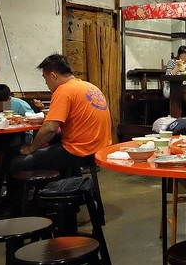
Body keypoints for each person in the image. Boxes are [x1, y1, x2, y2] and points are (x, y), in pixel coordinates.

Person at [9, 54, 112, 207]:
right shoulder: (89, 87)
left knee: (16, 163)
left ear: (53, 75)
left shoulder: (63, 90)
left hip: (80, 151)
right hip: (99, 148)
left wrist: (31, 149)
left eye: (45, 78)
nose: (46, 82)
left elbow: (50, 128)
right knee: (52, 141)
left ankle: (16, 208)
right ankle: (63, 196)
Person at [164, 45, 186, 117]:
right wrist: (177, 66)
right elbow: (167, 78)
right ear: (179, 55)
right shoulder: (172, 62)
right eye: (184, 55)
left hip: (180, 88)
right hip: (170, 89)